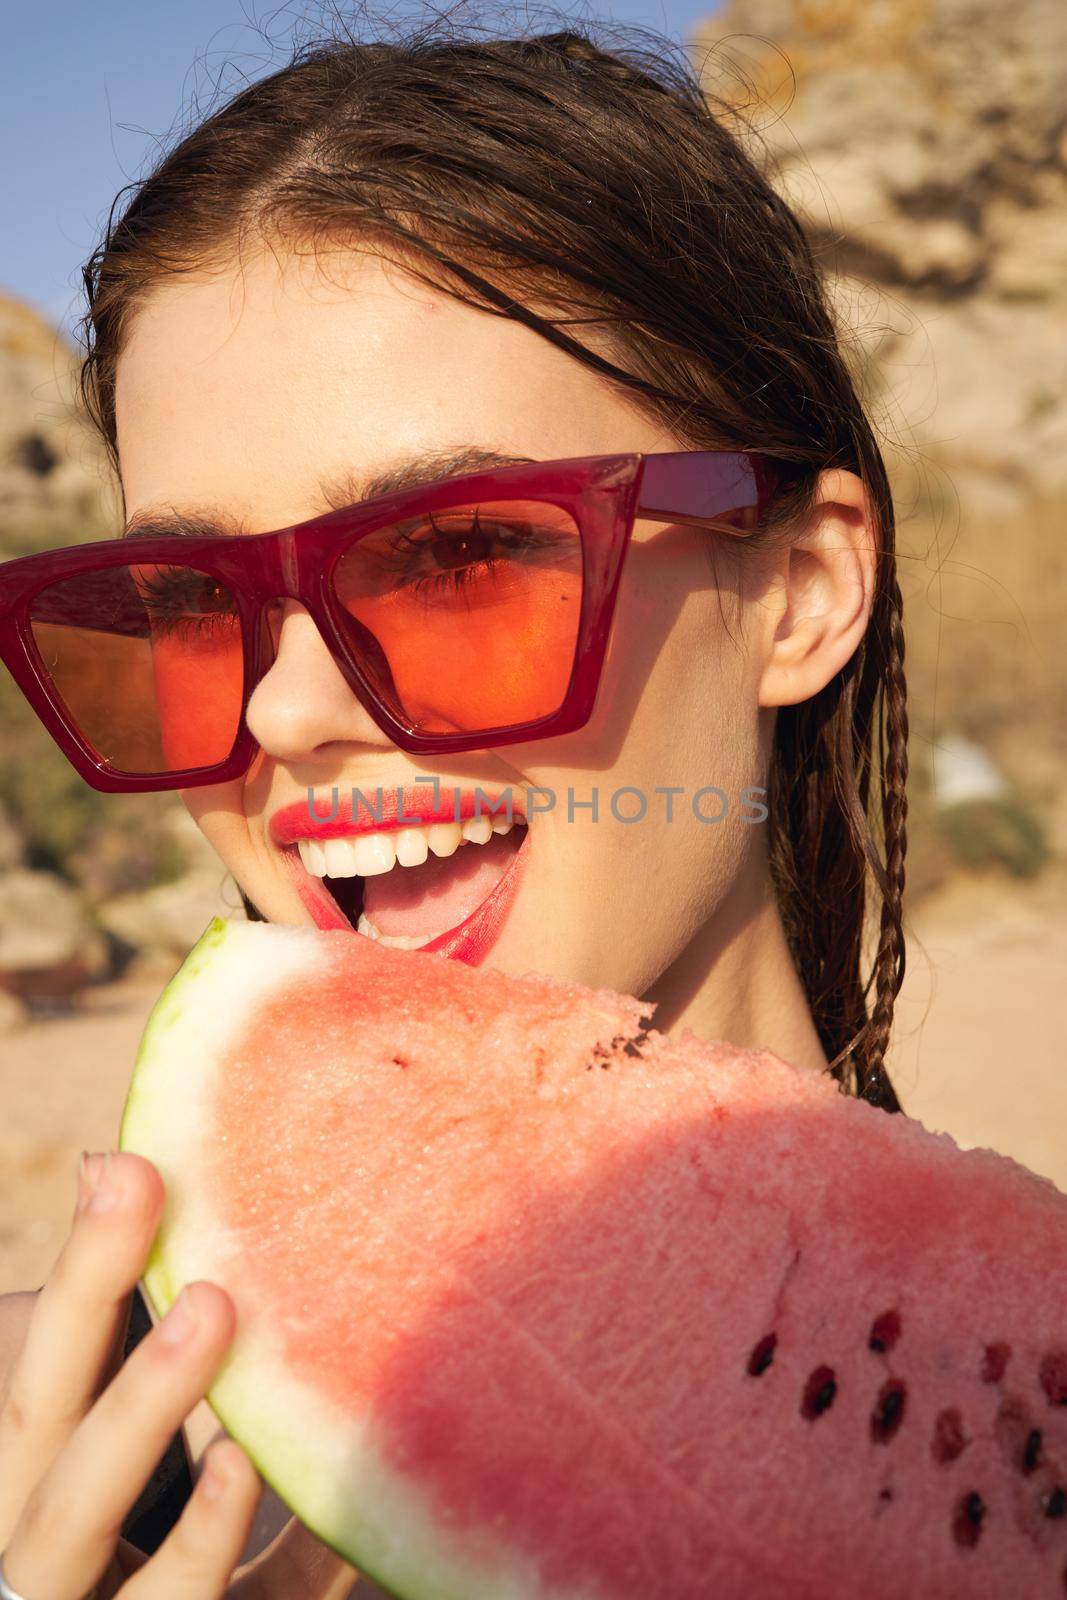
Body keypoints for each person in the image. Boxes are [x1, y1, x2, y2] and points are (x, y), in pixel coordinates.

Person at [0, 13, 909, 1597]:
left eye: (459, 559)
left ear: (799, 593)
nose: (284, 712)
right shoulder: (38, 1452)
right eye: (185, 598)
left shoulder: (1011, 1407)